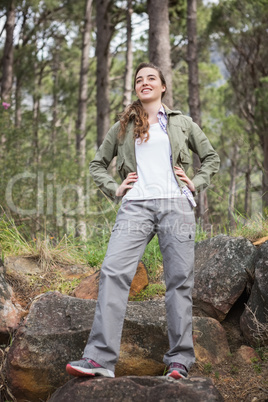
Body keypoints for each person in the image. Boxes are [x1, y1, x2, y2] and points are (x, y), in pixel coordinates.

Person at [66, 62, 220, 380]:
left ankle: (179, 361)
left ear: (163, 86)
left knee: (178, 281)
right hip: (135, 206)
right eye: (139, 79)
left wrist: (195, 182)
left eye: (151, 78)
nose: (144, 82)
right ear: (136, 88)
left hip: (176, 205)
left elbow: (211, 157)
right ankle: (99, 360)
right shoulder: (124, 125)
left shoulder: (181, 123)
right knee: (113, 272)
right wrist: (116, 187)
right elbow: (97, 164)